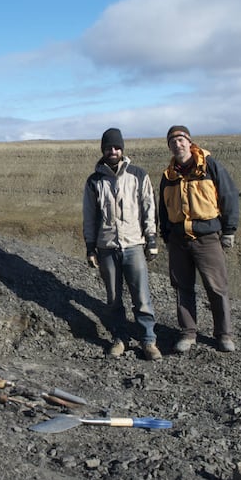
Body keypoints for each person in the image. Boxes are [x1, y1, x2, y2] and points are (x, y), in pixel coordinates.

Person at [159, 125, 239, 353]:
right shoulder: (169, 175)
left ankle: (224, 334)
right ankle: (188, 333)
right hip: (178, 239)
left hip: (207, 238)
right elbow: (162, 208)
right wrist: (165, 234)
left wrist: (229, 230)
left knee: (216, 287)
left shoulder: (210, 166)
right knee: (182, 288)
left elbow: (228, 195)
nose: (177, 144)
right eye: (172, 141)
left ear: (190, 142)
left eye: (181, 140)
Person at [83, 128, 161, 361]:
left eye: (116, 147)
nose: (113, 151)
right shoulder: (94, 181)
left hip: (133, 244)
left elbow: (149, 207)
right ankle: (120, 339)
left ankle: (148, 341)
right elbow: (89, 216)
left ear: (122, 149)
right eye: (109, 148)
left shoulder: (138, 175)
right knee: (113, 298)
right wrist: (90, 246)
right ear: (103, 150)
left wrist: (151, 239)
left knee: (142, 297)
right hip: (106, 246)